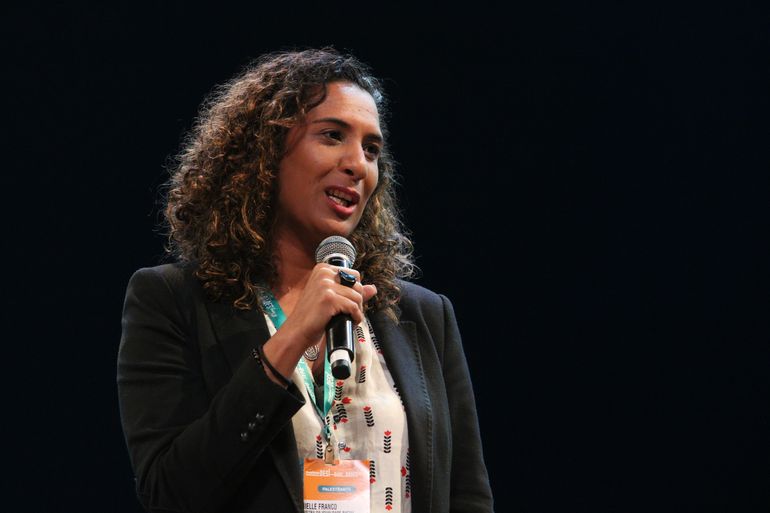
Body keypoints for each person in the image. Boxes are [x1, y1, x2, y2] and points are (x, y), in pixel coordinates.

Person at [117, 47, 494, 513]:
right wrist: (291, 338)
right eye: (332, 135)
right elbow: (169, 494)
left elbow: (468, 496)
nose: (358, 164)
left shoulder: (422, 315)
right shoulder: (172, 300)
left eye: (372, 149)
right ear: (267, 152)